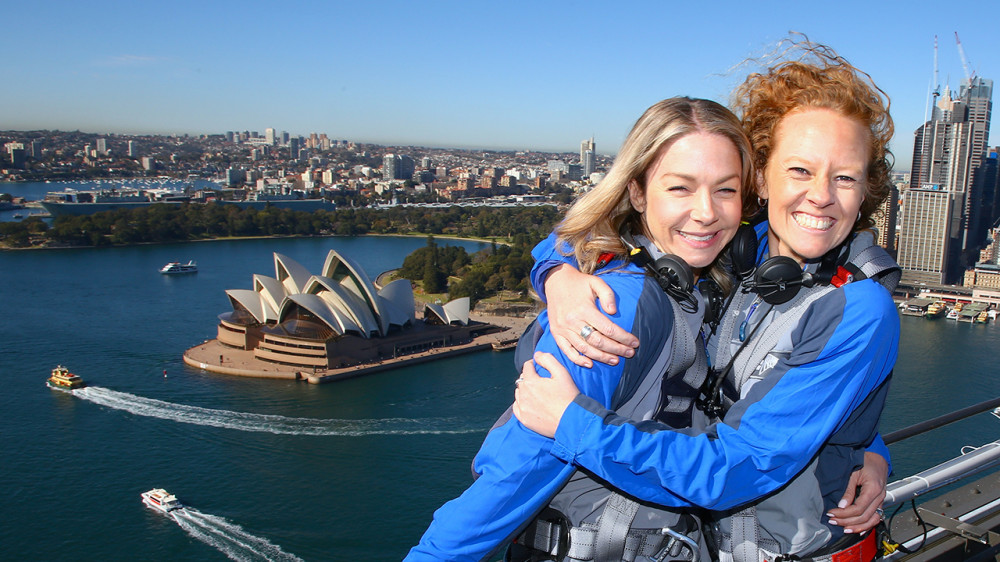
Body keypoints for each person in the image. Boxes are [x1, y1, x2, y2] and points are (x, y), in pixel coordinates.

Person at [515, 41, 899, 562]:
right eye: (800, 171)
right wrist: (558, 273)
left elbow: (740, 467)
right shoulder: (741, 247)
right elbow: (597, 228)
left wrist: (571, 423)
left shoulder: (860, 308)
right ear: (761, 177)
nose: (822, 196)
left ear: (865, 190)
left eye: (845, 177)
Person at [406, 97, 755, 561]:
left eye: (726, 190)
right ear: (636, 192)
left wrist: (552, 268)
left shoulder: (697, 279)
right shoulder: (614, 306)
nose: (707, 212)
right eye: (680, 188)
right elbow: (521, 465)